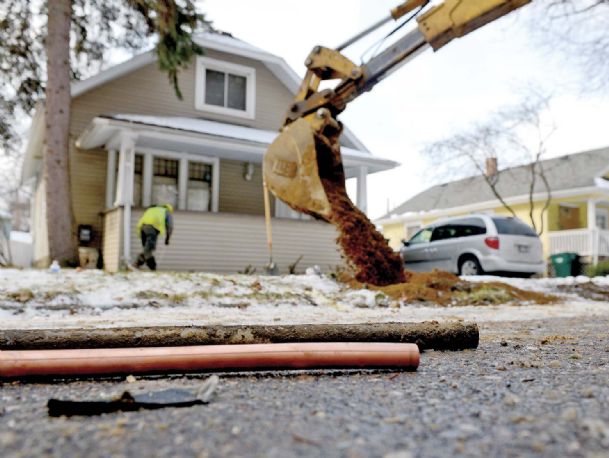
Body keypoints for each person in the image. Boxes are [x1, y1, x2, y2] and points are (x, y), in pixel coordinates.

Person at [134, 204, 174, 271]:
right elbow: (170, 226)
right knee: (148, 250)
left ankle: (137, 265)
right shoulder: (166, 211)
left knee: (146, 250)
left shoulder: (151, 209)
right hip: (152, 229)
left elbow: (141, 220)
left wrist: (139, 234)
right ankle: (152, 267)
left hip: (142, 229)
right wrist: (167, 238)